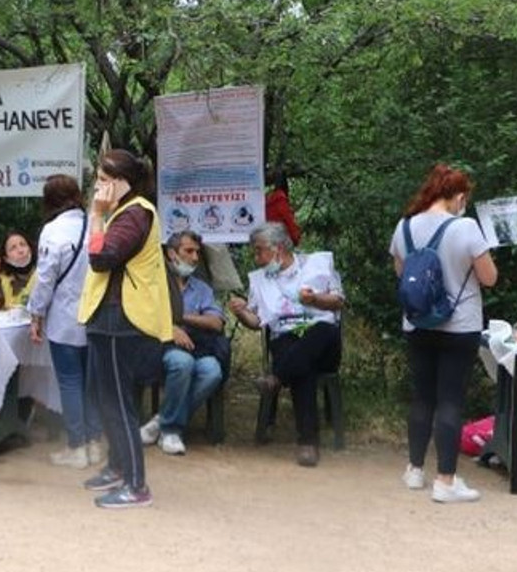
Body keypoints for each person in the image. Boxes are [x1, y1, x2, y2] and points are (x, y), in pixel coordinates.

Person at [389, 163, 497, 503]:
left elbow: (401, 273)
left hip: (417, 324)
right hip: (459, 325)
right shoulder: (466, 228)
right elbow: (489, 278)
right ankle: (446, 481)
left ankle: (414, 470)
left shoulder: (404, 226)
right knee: (450, 400)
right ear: (459, 196)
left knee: (422, 397)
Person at [76, 150, 171, 509]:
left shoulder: (135, 213)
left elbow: (101, 258)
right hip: (107, 318)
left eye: (103, 179)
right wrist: (101, 215)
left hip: (124, 320)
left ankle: (136, 485)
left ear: (120, 182)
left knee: (118, 404)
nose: (97, 186)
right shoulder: (122, 212)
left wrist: (97, 216)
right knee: (106, 400)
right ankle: (117, 468)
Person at [229, 221, 344, 467]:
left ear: (278, 249)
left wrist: (315, 299)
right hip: (288, 341)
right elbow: (257, 321)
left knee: (321, 331)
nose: (256, 257)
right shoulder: (260, 280)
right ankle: (307, 443)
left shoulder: (316, 264)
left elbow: (337, 303)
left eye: (259, 250)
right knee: (300, 361)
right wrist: (240, 312)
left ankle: (277, 378)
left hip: (324, 342)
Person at [26, 174, 101, 469]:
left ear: (49, 200)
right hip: (94, 316)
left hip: (64, 320)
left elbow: (45, 279)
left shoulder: (52, 232)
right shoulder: (96, 223)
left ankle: (76, 447)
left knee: (70, 383)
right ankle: (95, 444)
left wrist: (36, 314)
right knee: (91, 384)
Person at [139, 230, 227, 456]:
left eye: (197, 252)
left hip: (198, 346)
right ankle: (171, 430)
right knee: (182, 363)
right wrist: (169, 328)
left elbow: (216, 322)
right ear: (171, 254)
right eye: (188, 251)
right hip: (161, 347)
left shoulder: (202, 288)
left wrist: (180, 317)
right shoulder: (154, 283)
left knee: (213, 371)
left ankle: (161, 420)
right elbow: (141, 316)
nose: (195, 258)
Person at [0, 231, 36, 311]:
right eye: (13, 248)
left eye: (23, 245)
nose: (20, 251)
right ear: (6, 258)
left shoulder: (43, 273)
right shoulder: (1, 279)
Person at [265, 168, 301, 246]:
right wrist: (296, 238)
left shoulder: (267, 201)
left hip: (267, 238)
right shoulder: (281, 201)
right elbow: (289, 221)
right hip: (280, 240)